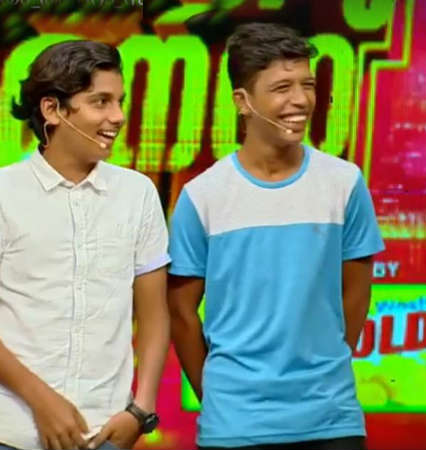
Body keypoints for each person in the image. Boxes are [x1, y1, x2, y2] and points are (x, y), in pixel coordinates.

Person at [167, 22, 384, 450]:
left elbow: (356, 294)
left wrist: (322, 370)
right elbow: (181, 313)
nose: (301, 100)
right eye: (282, 88)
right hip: (234, 427)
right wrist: (220, 400)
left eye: (307, 84)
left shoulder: (344, 183)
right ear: (242, 102)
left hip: (331, 421)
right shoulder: (202, 196)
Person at [0, 40, 171, 450]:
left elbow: (154, 315)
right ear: (53, 110)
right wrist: (42, 401)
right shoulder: (5, 192)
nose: (118, 116)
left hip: (107, 433)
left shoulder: (137, 194)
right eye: (100, 102)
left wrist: (141, 410)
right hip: (12, 432)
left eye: (120, 102)